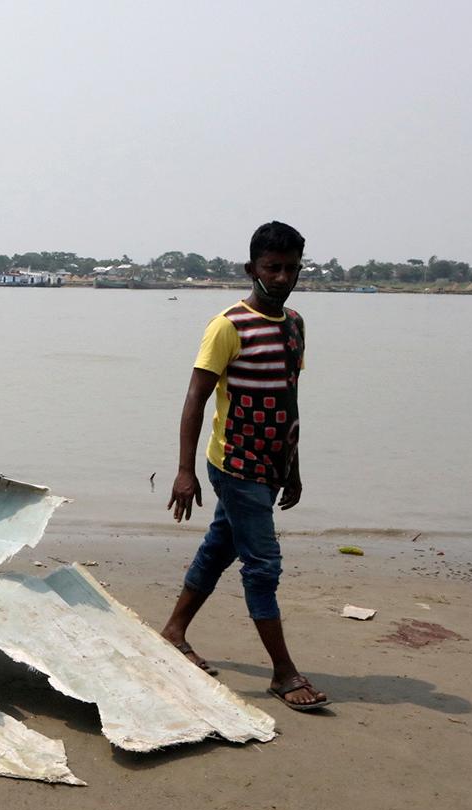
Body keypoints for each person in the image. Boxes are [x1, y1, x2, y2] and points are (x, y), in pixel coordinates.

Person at [162, 220, 329, 712]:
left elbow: (289, 400)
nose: (281, 278)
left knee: (220, 547)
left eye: (291, 268)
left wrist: (293, 467)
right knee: (263, 565)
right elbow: (195, 398)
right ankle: (283, 673)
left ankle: (174, 630)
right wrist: (184, 471)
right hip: (233, 464)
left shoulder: (294, 325)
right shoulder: (228, 326)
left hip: (272, 466)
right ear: (251, 269)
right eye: (272, 268)